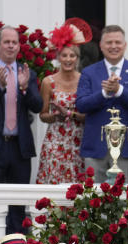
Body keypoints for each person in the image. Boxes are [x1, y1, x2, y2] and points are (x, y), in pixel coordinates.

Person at [0, 26, 44, 244]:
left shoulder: (26, 72)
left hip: (19, 147)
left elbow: (38, 106)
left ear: (19, 46)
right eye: (7, 42)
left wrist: (24, 88)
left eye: (15, 42)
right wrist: (1, 86)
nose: (11, 46)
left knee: (18, 205)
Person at [74, 25, 128, 182]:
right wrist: (104, 93)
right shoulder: (89, 72)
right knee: (93, 199)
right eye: (109, 42)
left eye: (117, 42)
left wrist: (120, 90)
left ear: (125, 45)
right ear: (101, 46)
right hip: (96, 146)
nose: (113, 46)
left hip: (127, 148)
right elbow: (81, 104)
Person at [35, 30, 85, 186]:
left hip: (78, 142)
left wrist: (70, 114)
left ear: (77, 59)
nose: (68, 59)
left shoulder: (85, 80)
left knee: (77, 189)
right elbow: (42, 115)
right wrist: (56, 115)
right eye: (64, 55)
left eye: (72, 56)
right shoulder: (48, 82)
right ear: (58, 57)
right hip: (55, 142)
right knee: (53, 188)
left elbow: (89, 114)